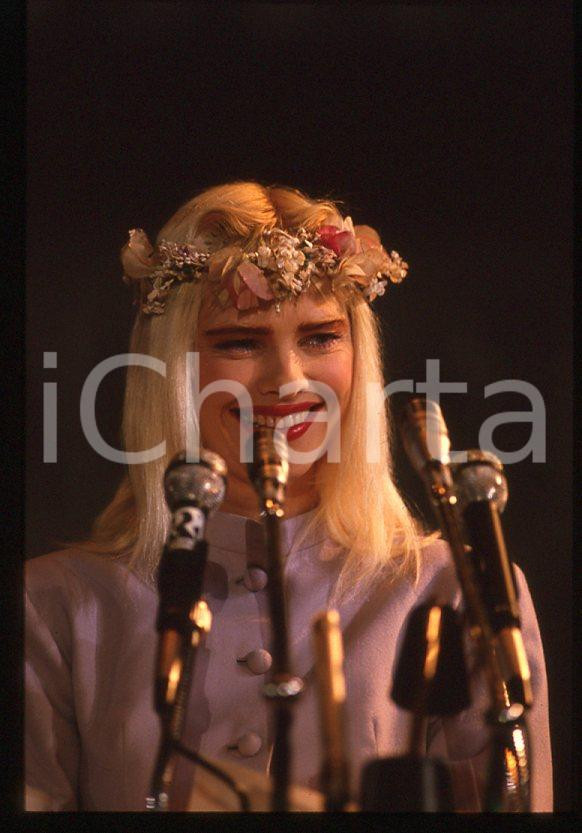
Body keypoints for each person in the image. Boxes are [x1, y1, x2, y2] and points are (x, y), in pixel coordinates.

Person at [25, 181, 553, 811]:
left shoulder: (459, 591)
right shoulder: (54, 607)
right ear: (172, 367)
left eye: (321, 337)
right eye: (240, 343)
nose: (289, 380)